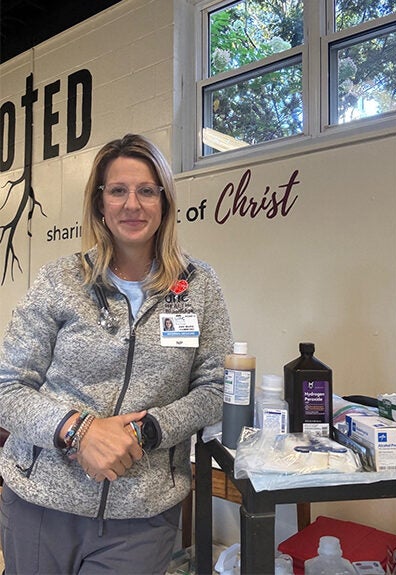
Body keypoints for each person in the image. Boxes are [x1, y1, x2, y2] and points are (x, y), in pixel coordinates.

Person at [0, 134, 233, 574]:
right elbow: (8, 386)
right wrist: (79, 431)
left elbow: (215, 387)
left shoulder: (198, 286)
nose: (132, 204)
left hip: (141, 516)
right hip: (41, 504)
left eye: (147, 191)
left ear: (164, 202)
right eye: (118, 191)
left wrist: (147, 431)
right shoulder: (60, 280)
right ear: (99, 204)